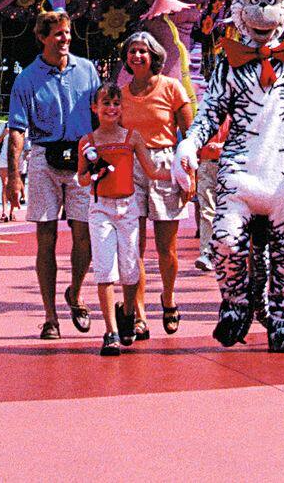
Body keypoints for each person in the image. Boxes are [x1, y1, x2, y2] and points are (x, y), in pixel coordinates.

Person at [5, 9, 100, 339]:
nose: (65, 39)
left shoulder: (87, 71)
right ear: (43, 37)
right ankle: (50, 317)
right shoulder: (27, 78)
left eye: (68, 33)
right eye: (58, 34)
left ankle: (75, 291)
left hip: (81, 156)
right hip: (44, 157)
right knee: (45, 238)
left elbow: (103, 117)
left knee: (83, 234)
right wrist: (14, 175)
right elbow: (17, 129)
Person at [118, 31, 193, 337]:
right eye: (132, 51)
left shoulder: (172, 88)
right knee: (134, 245)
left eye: (143, 51)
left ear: (154, 57)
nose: (137, 56)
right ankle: (139, 313)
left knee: (167, 247)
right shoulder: (121, 93)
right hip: (130, 165)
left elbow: (190, 133)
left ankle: (169, 298)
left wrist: (191, 174)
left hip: (164, 163)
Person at [77, 84, 157, 357]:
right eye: (105, 104)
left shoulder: (132, 138)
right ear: (95, 108)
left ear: (122, 108)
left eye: (115, 103)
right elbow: (82, 178)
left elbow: (151, 170)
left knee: (130, 267)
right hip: (100, 209)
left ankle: (128, 312)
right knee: (105, 269)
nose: (111, 109)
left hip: (128, 208)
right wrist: (93, 172)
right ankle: (110, 331)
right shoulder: (87, 141)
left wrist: (181, 171)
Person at [192, 116, 227, 272]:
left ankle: (230, 253)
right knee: (207, 210)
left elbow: (247, 140)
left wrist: (221, 146)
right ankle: (207, 254)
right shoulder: (204, 115)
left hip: (229, 165)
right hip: (206, 164)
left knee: (230, 212)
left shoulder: (239, 112)